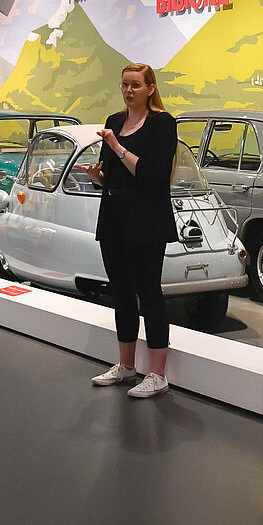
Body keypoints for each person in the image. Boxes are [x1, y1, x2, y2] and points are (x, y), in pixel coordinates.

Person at [83, 63, 179, 398]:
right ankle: (126, 366)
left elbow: (152, 176)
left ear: (150, 88)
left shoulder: (162, 124)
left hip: (147, 220)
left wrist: (118, 147)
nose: (128, 90)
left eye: (136, 85)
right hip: (114, 218)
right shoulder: (113, 121)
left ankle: (158, 374)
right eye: (124, 84)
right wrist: (96, 176)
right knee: (121, 292)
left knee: (149, 293)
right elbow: (112, 174)